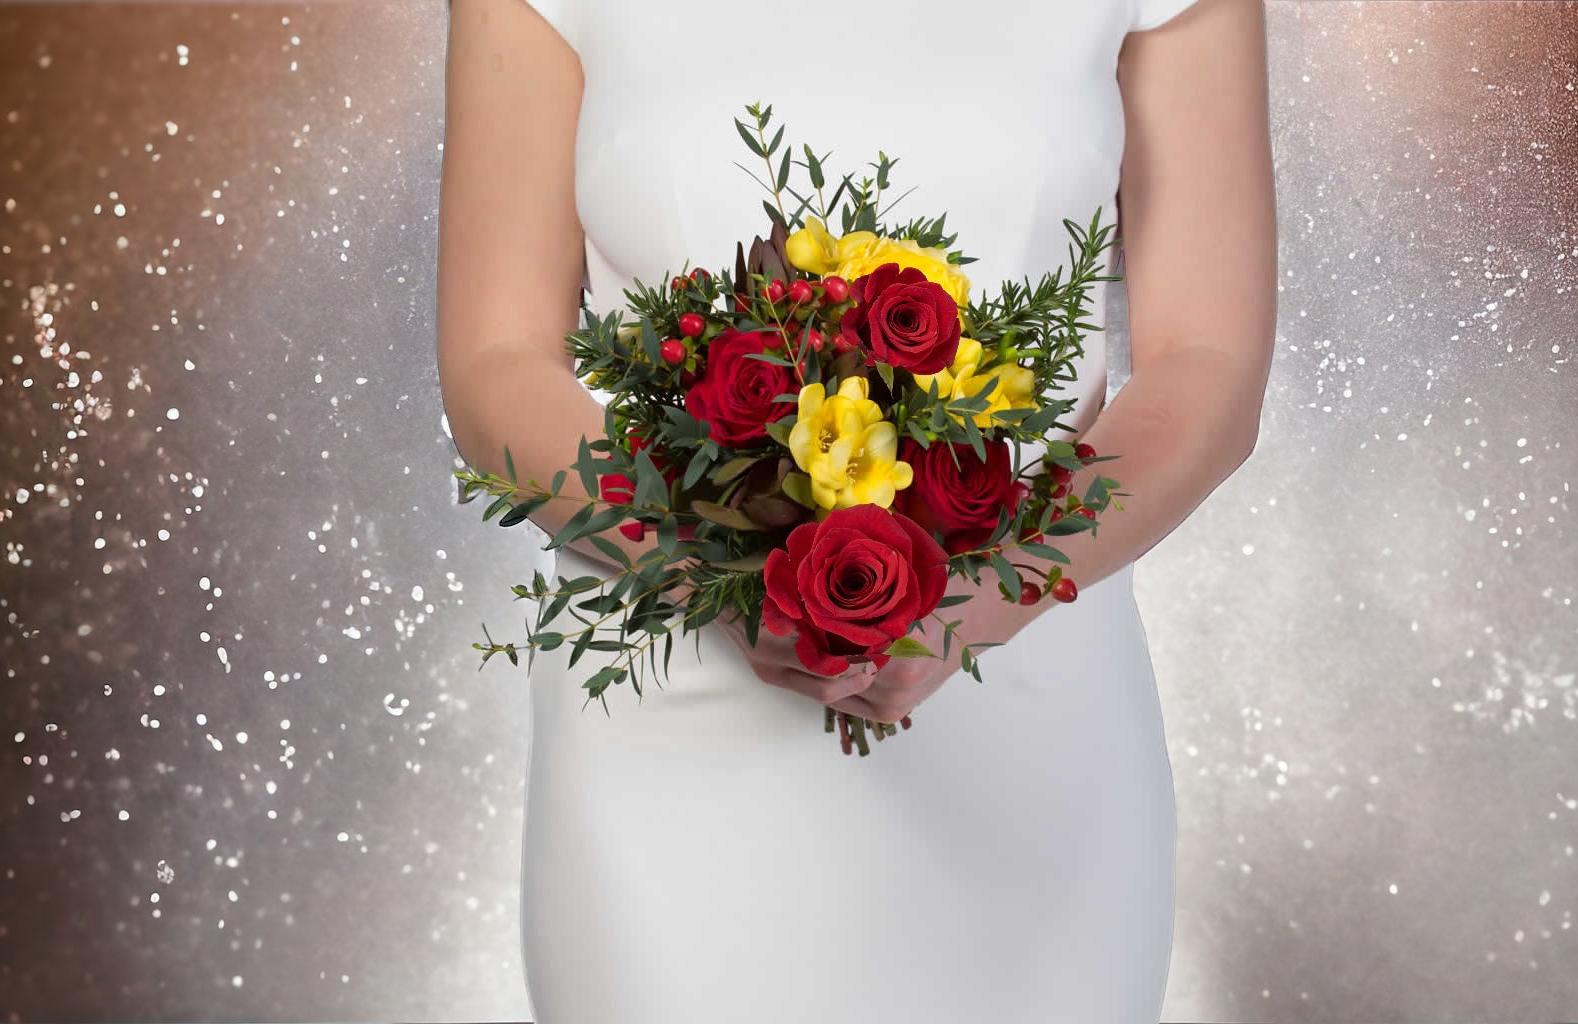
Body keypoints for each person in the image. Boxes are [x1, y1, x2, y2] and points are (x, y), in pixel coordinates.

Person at [436, 0, 1275, 1019]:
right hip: (668, 748)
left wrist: (981, 598)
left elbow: (1209, 363)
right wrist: (721, 574)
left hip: (1026, 713)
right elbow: (494, 361)